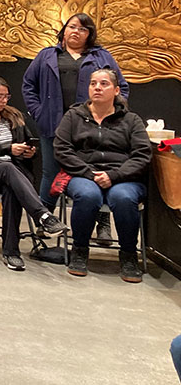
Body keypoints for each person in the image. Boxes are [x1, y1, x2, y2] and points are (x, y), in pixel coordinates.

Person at [23, 13, 129, 245]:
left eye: (83, 29)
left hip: (93, 127)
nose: (76, 32)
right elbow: (28, 85)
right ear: (64, 30)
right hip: (53, 124)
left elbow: (122, 87)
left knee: (97, 171)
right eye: (72, 27)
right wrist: (38, 112)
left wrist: (112, 115)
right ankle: (45, 219)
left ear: (89, 34)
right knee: (50, 173)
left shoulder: (102, 56)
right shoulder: (46, 55)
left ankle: (102, 224)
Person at [0, 74, 67, 271]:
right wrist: (7, 149)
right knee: (7, 169)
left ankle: (12, 252)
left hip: (15, 175)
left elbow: (26, 143)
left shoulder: (14, 116)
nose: (4, 100)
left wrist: (28, 153)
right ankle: (42, 216)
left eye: (6, 96)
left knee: (11, 187)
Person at [54, 68, 151, 283]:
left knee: (124, 198)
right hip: (83, 175)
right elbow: (62, 150)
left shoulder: (131, 120)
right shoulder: (73, 116)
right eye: (93, 83)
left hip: (123, 177)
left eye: (104, 84)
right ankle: (79, 250)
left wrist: (114, 175)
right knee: (88, 196)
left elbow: (142, 155)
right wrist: (89, 173)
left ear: (116, 90)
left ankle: (128, 255)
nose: (97, 87)